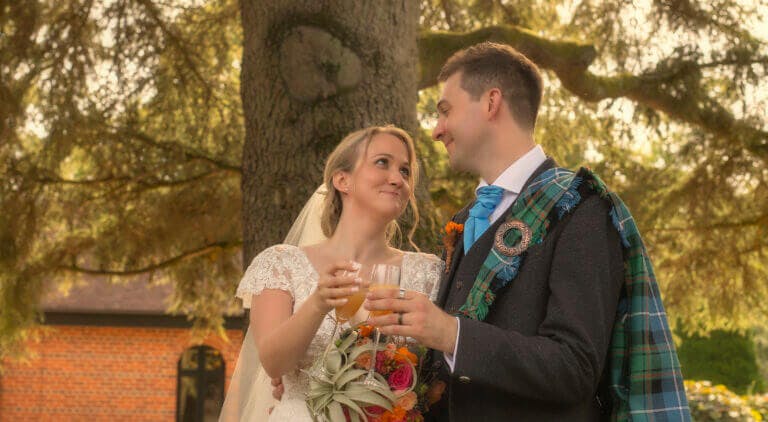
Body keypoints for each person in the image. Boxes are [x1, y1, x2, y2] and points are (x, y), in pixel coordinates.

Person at [365, 42, 690, 420]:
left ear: (491, 103)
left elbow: (574, 368)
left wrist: (453, 335)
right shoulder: (467, 216)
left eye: (445, 111)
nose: (437, 130)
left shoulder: (582, 208)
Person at [219, 125, 444, 421]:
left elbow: (442, 372)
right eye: (382, 162)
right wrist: (318, 303)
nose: (397, 179)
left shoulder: (429, 272)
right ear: (342, 180)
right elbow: (273, 363)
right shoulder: (281, 265)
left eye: (405, 171)